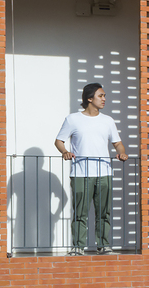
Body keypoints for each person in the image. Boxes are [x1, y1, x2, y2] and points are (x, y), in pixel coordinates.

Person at [54, 83, 127, 255]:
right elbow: (59, 140)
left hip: (104, 173)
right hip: (81, 173)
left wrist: (122, 153)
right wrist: (65, 151)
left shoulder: (108, 120)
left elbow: (117, 143)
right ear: (89, 98)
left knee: (104, 212)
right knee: (81, 213)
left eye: (104, 96)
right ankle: (78, 247)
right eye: (101, 96)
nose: (104, 99)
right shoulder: (72, 119)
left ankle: (103, 246)